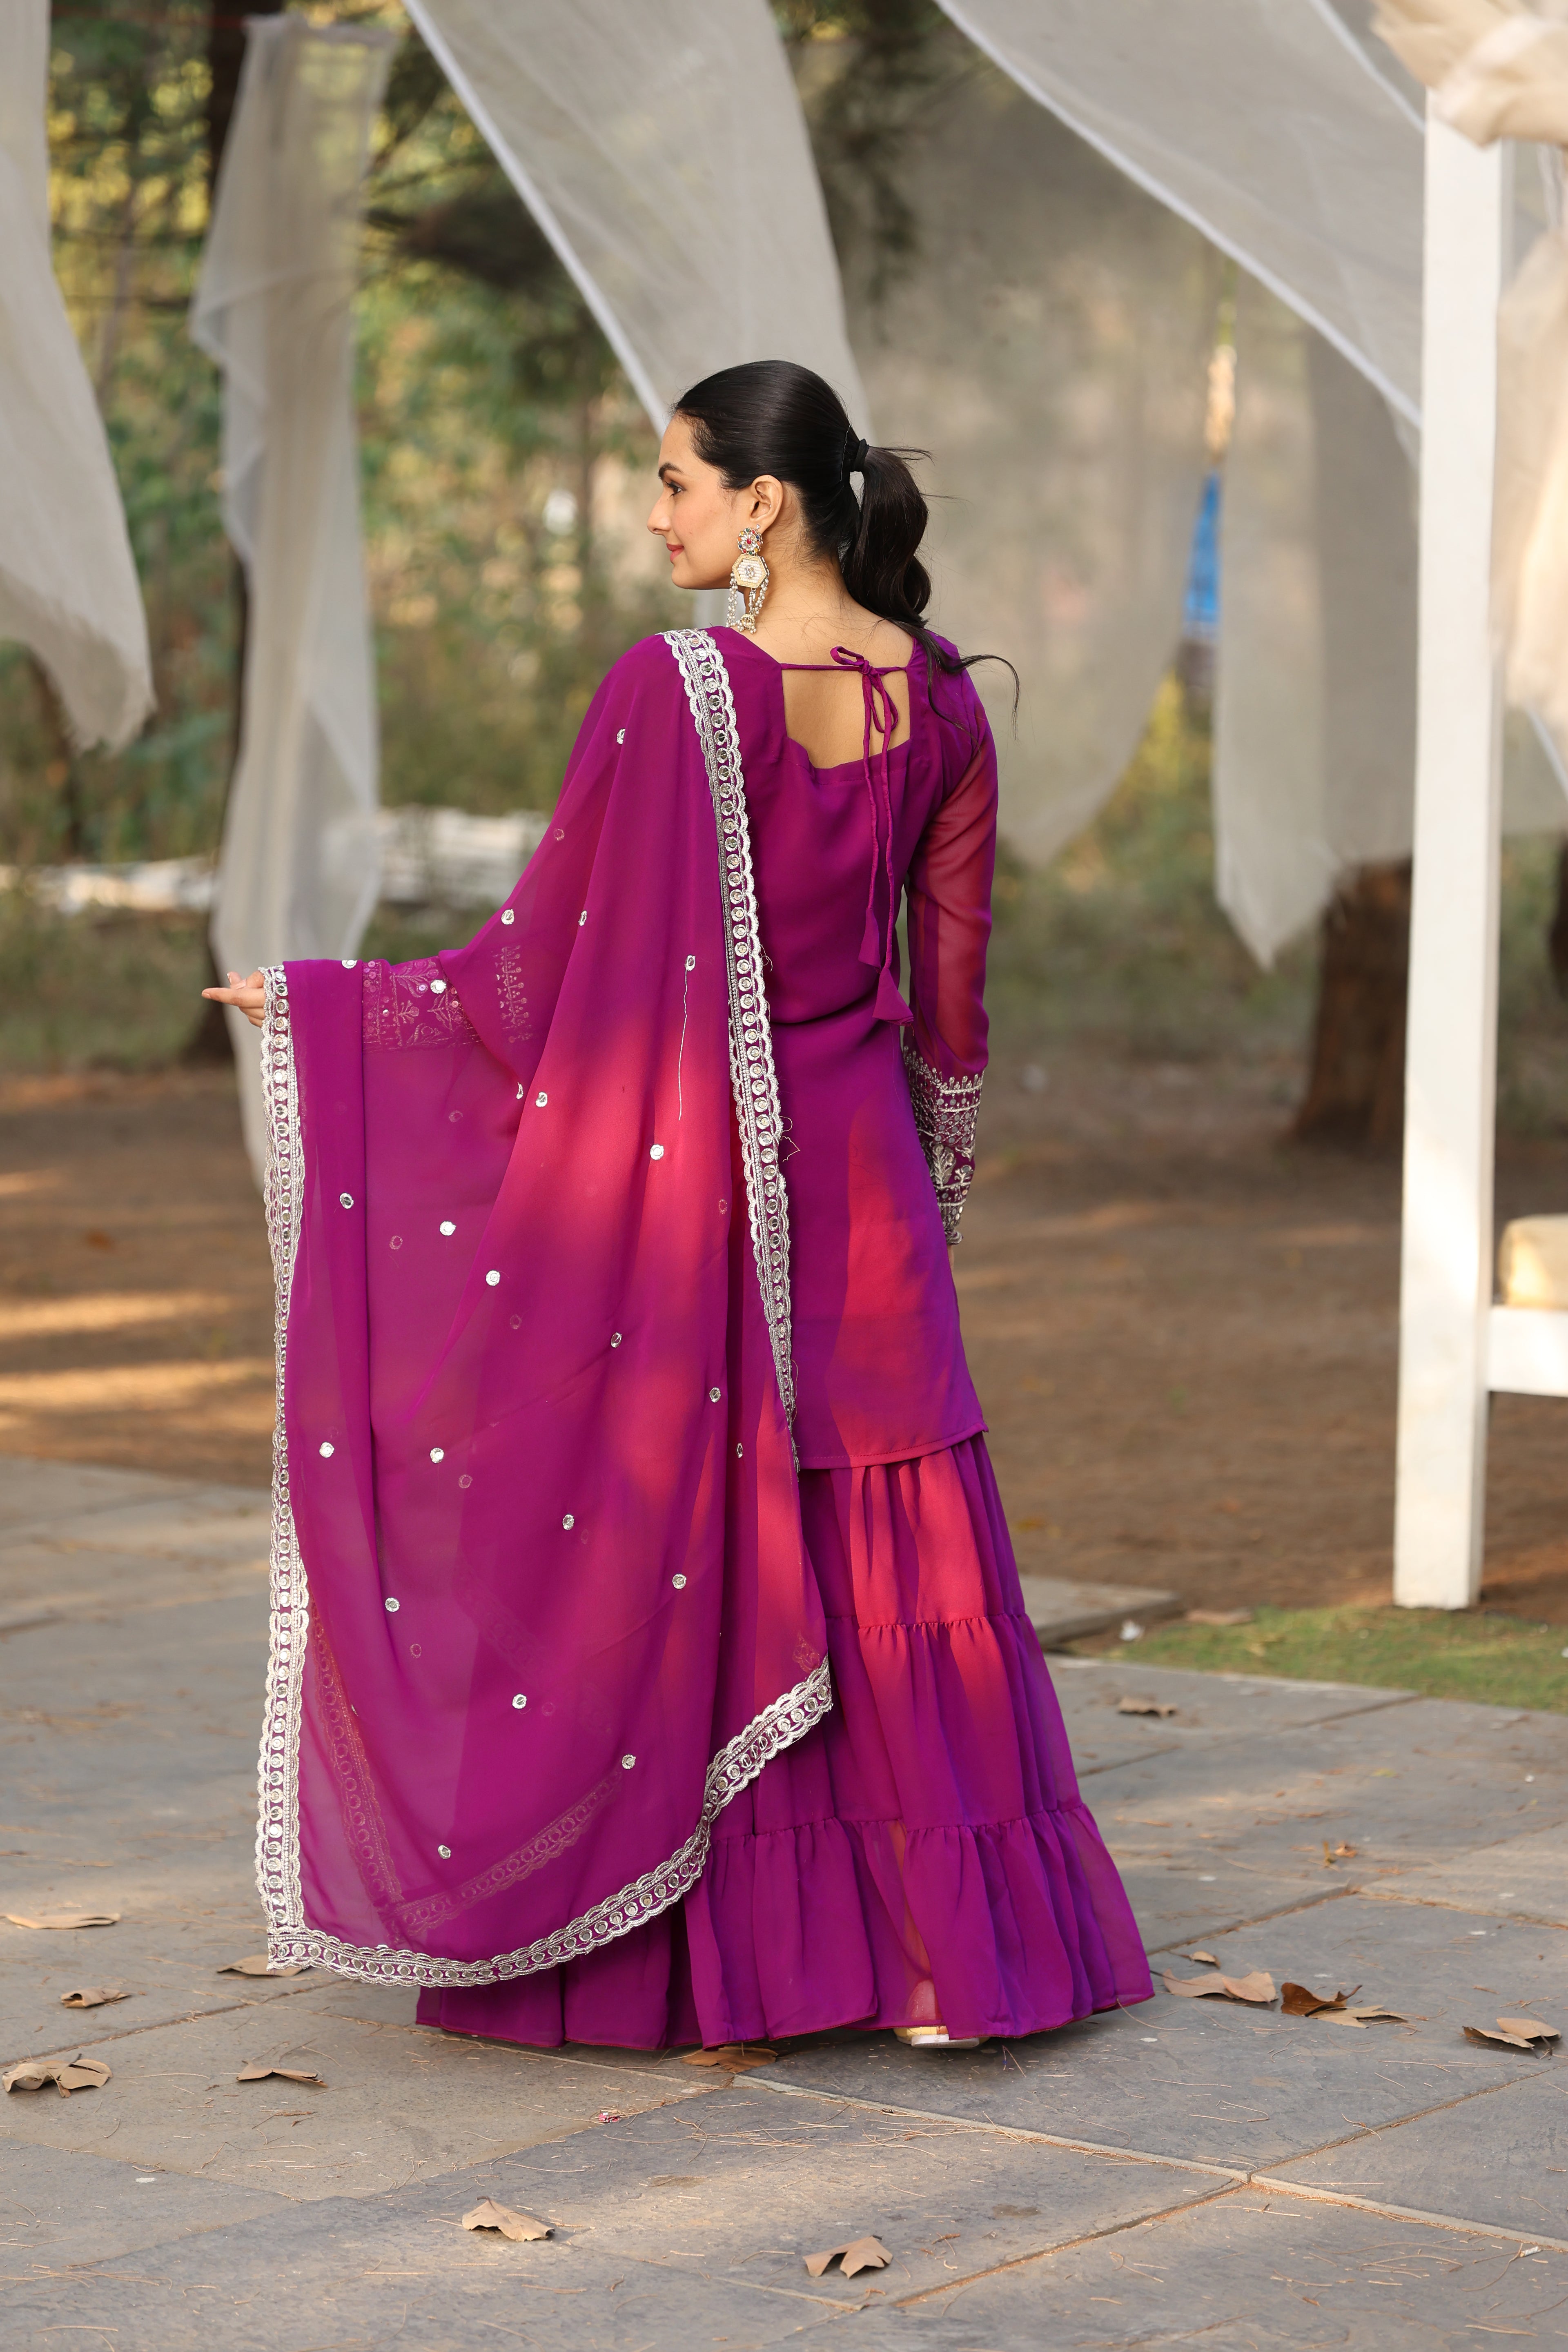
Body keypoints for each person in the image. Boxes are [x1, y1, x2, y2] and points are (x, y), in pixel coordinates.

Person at [206, 359, 1151, 2053]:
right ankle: (946, 1963)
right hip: (859, 1165)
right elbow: (955, 992)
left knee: (714, 1525)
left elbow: (537, 966)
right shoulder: (938, 701)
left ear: (758, 508)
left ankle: (736, 1967)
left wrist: (342, 1011)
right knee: (893, 1525)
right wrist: (933, 1178)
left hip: (704, 1167)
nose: (655, 512)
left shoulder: (682, 689)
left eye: (674, 481)